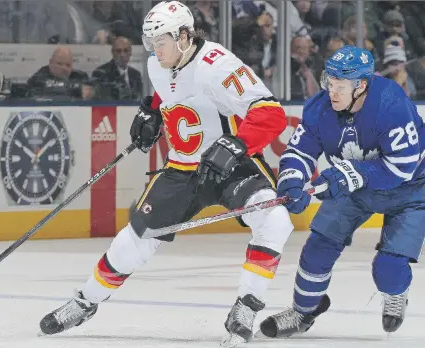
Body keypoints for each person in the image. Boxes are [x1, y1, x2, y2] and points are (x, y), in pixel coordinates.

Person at [39, 1, 294, 344]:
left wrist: (236, 145)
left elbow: (271, 113)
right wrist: (154, 111)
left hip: (231, 167)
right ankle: (86, 301)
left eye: (160, 42)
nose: (153, 50)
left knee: (275, 220)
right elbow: (172, 90)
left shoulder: (217, 65)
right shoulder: (159, 63)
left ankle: (247, 306)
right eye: (150, 42)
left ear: (184, 36)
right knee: (135, 240)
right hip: (182, 169)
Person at [258, 45, 425, 339]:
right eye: (330, 82)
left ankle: (395, 292)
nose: (332, 91)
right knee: (318, 247)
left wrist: (350, 173)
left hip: (410, 190)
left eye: (341, 86)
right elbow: (299, 151)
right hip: (354, 188)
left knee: (389, 268)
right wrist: (292, 181)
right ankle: (303, 311)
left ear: (361, 86)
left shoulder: (391, 104)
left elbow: (402, 168)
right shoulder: (319, 108)